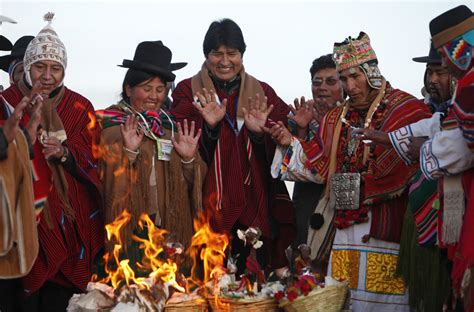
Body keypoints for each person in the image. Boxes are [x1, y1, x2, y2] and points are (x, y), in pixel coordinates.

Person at [270, 32, 431, 311]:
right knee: (346, 299)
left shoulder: (404, 108)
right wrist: (293, 141)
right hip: (343, 230)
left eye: (354, 76)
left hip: (385, 227)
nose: (350, 85)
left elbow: (417, 160)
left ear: (371, 71)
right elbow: (321, 168)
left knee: (387, 301)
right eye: (344, 78)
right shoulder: (336, 118)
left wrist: (370, 173)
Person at [171, 18, 295, 277]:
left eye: (232, 53)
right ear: (206, 55)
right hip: (207, 205)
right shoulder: (188, 90)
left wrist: (259, 135)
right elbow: (182, 144)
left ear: (242, 54)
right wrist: (211, 128)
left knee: (254, 284)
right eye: (217, 53)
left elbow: (283, 141)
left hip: (256, 203)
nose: (225, 61)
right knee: (210, 285)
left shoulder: (261, 92)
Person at [0, 13, 103, 311]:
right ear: (27, 67)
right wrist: (23, 144)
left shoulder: (80, 106)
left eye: (56, 68)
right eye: (40, 66)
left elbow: (95, 161)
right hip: (18, 224)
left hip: (70, 223)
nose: (48, 76)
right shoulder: (6, 102)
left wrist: (65, 154)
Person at [97, 40, 206, 270]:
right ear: (128, 89)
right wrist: (129, 152)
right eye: (146, 88)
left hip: (169, 232)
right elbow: (106, 182)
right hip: (132, 233)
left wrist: (188, 159)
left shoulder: (170, 128)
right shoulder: (112, 126)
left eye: (160, 90)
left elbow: (194, 186)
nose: (153, 96)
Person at [428, 5, 474, 310]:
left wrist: (425, 149)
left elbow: (463, 146)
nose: (443, 66)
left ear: (459, 51)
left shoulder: (469, 90)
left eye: (443, 59)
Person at [289, 54, 343, 250]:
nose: (322, 87)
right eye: (317, 82)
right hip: (307, 204)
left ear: (343, 84)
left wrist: (328, 126)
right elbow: (290, 164)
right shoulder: (300, 114)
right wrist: (301, 129)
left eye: (331, 81)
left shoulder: (353, 117)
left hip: (341, 205)